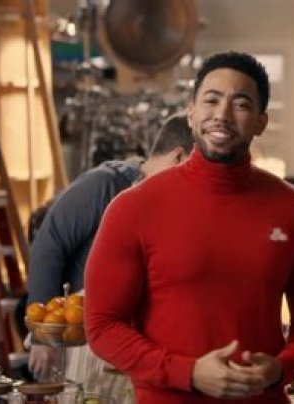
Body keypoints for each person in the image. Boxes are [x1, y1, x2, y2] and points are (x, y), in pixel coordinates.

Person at [84, 52, 294, 403]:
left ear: (261, 122)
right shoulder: (133, 208)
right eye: (211, 100)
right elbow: (102, 325)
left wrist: (281, 367)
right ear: (191, 112)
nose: (222, 115)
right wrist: (187, 373)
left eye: (241, 104)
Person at [26, 113, 195, 395]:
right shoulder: (104, 184)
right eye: (194, 167)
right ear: (178, 157)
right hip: (79, 338)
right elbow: (49, 246)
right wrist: (42, 338)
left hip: (129, 342)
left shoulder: (172, 208)